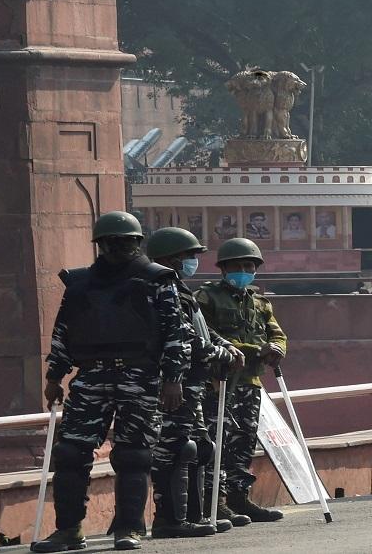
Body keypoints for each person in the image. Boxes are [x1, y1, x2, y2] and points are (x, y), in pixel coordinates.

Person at [33, 212, 189, 552]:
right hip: (91, 377)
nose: (121, 247)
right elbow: (64, 332)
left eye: (128, 241)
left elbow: (175, 332)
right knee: (70, 452)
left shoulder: (157, 280)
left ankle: (128, 528)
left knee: (133, 455)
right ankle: (69, 530)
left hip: (140, 377)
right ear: (101, 245)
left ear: (138, 243)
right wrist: (54, 376)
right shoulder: (79, 284)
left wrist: (173, 378)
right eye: (113, 242)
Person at [146, 228, 245, 538]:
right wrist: (220, 353)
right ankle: (169, 519)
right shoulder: (161, 289)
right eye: (187, 256)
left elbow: (201, 329)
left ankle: (195, 515)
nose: (191, 262)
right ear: (168, 258)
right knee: (176, 448)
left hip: (193, 382)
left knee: (200, 447)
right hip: (174, 382)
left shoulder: (181, 290)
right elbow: (185, 338)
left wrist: (226, 345)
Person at [197, 238, 288, 524]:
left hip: (250, 381)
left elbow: (277, 334)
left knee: (244, 441)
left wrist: (276, 349)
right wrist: (252, 350)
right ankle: (216, 502)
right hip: (220, 380)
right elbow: (206, 335)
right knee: (217, 441)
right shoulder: (206, 298)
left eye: (249, 266)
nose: (244, 270)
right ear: (223, 269)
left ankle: (240, 497)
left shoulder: (260, 302)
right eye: (238, 266)